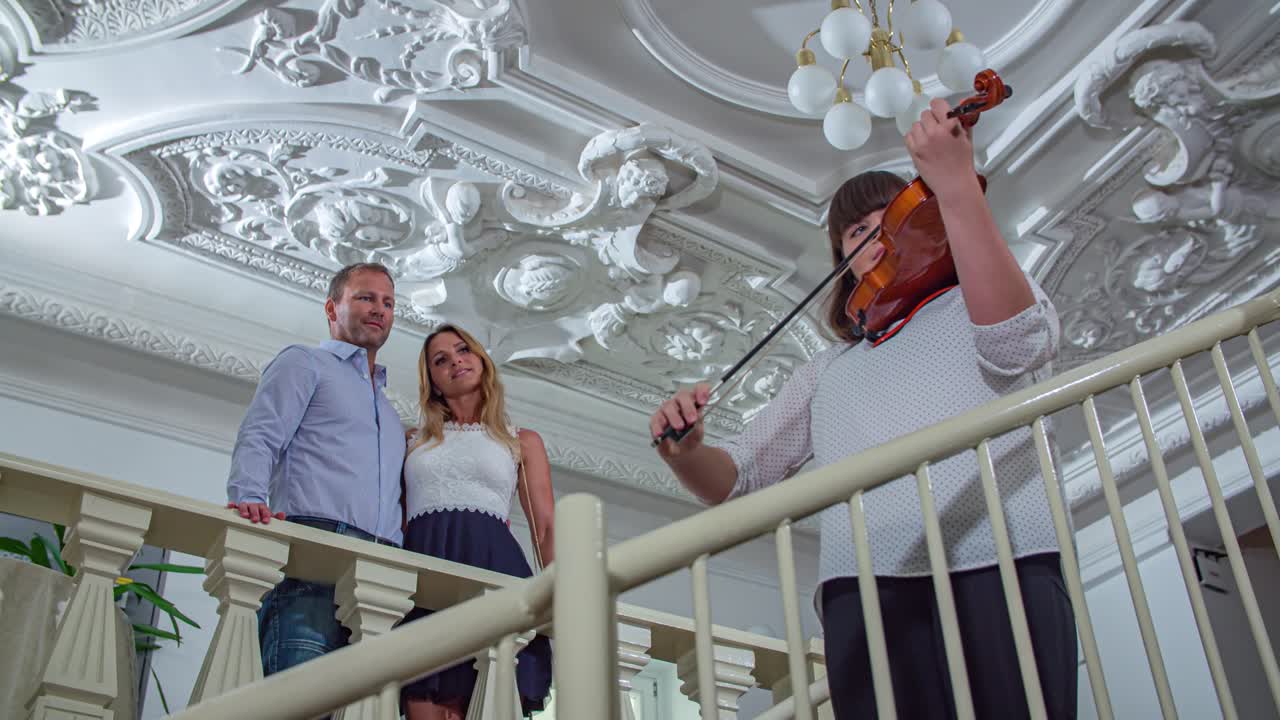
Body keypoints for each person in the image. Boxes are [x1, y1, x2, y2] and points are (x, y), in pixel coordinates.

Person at [649, 99, 1077, 719]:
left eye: (895, 220)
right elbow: (735, 479)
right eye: (858, 232)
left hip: (1001, 556)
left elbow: (1016, 341)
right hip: (865, 585)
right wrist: (685, 451)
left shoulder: (973, 304)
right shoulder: (827, 370)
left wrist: (956, 187)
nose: (880, 236)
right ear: (843, 266)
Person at [225, 262, 406, 677]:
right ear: (332, 308)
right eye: (365, 297)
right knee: (298, 690)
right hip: (315, 547)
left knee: (360, 702)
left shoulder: (390, 413)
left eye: (388, 302)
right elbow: (261, 434)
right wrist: (248, 497)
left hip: (382, 568)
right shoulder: (304, 363)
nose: (379, 309)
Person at [399, 323, 554, 720]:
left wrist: (561, 594)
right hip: (423, 584)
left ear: (481, 360)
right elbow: (395, 520)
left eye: (463, 350)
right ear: (431, 380)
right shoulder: (411, 440)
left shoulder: (521, 440)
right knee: (421, 696)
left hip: (495, 577)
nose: (456, 361)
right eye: (441, 359)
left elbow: (545, 528)